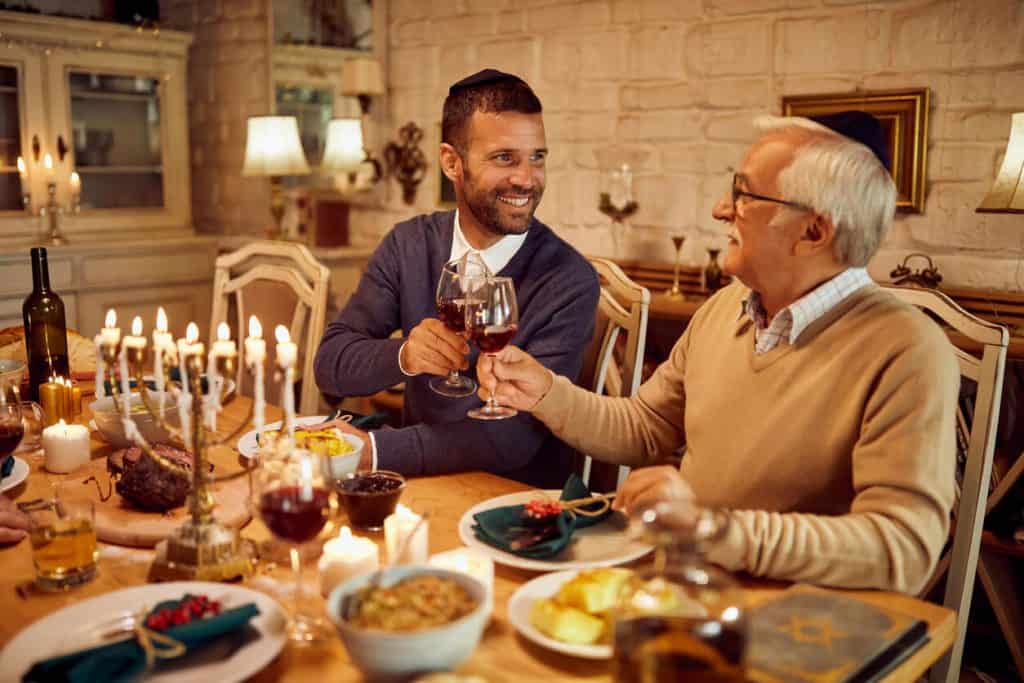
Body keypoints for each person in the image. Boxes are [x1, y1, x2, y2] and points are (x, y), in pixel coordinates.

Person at [477, 112, 959, 594]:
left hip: (799, 624)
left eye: (744, 194)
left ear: (814, 232)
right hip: (684, 583)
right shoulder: (727, 307)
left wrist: (715, 530)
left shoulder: (907, 349)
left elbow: (903, 547)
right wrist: (545, 394)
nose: (719, 209)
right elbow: (644, 428)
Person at [314, 69, 599, 488]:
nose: (527, 179)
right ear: (451, 162)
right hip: (420, 487)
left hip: (512, 505)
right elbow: (331, 365)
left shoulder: (569, 280)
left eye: (537, 157)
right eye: (505, 158)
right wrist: (404, 356)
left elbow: (511, 440)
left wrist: (373, 451)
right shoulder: (408, 245)